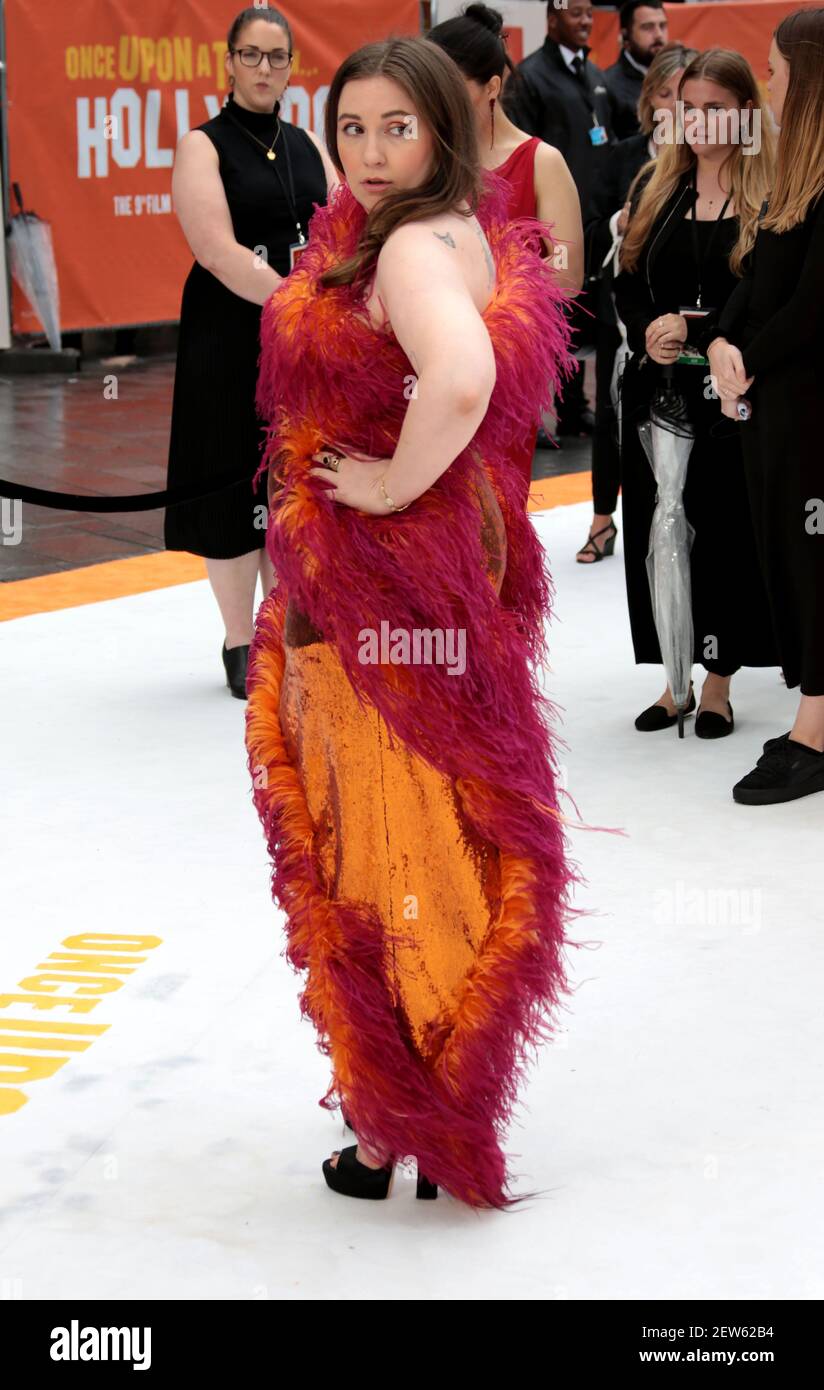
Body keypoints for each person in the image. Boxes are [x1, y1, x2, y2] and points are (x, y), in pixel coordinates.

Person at [244, 36, 577, 1209]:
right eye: (352, 129)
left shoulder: (411, 248)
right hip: (420, 595)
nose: (372, 153)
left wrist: (384, 488)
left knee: (383, 844)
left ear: (441, 126)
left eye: (398, 127)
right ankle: (415, 1105)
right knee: (427, 836)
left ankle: (398, 1120)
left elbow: (460, 378)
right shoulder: (448, 230)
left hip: (376, 594)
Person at [164, 6, 338, 699]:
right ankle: (241, 638)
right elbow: (217, 250)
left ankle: (286, 621)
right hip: (229, 336)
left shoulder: (305, 144)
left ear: (292, 66)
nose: (265, 69)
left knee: (291, 481)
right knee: (231, 478)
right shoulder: (201, 146)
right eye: (252, 56)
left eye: (277, 57)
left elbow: (339, 227)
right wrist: (291, 305)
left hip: (299, 339)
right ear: (229, 62)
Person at [614, 48, 778, 737]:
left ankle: (717, 680)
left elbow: (764, 292)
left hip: (730, 399)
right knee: (658, 533)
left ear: (745, 113)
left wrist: (697, 327)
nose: (702, 122)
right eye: (691, 107)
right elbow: (626, 280)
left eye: (717, 108)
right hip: (657, 395)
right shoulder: (657, 183)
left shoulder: (773, 193)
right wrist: (649, 325)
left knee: (723, 535)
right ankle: (671, 676)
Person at [707, 9, 824, 803]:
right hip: (777, 409)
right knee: (790, 557)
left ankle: (813, 732)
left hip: (811, 413)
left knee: (815, 564)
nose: (769, 79)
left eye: (777, 67)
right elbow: (757, 276)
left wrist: (745, 358)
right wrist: (721, 339)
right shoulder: (796, 173)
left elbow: (815, 306)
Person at [428, 2, 583, 499]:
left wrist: (494, 301)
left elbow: (565, 274)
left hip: (502, 372)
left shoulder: (540, 161)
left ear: (492, 87)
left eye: (450, 85)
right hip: (423, 366)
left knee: (495, 522)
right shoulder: (426, 161)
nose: (435, 99)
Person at [578, 43, 697, 562]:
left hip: (678, 311)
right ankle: (603, 519)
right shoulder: (621, 157)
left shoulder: (711, 160)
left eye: (686, 95)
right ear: (650, 100)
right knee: (610, 410)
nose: (675, 105)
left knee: (676, 408)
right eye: (667, 93)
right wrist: (616, 225)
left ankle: (673, 514)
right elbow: (583, 229)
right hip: (618, 305)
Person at [502, 0, 615, 437]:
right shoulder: (530, 77)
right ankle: (531, 412)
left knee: (580, 312)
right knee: (547, 311)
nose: (586, 21)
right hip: (548, 220)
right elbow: (519, 152)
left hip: (594, 217)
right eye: (575, 13)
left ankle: (574, 406)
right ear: (552, 18)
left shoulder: (594, 75)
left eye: (590, 14)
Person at [605, 1, 669, 140]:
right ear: (625, 35)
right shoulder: (608, 85)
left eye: (662, 26)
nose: (658, 35)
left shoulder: (678, 76)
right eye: (648, 27)